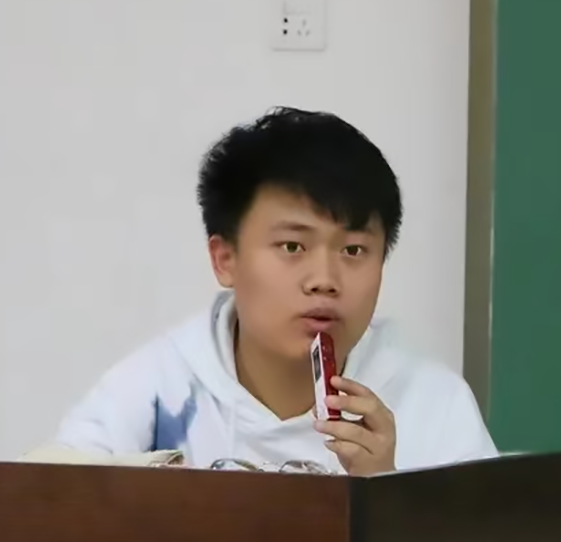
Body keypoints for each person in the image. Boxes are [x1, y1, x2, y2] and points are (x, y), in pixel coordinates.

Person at [45, 107, 497, 475]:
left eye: (354, 250)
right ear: (225, 258)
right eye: (292, 246)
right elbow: (46, 508)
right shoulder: (158, 389)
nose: (324, 279)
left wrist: (387, 496)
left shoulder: (433, 403)